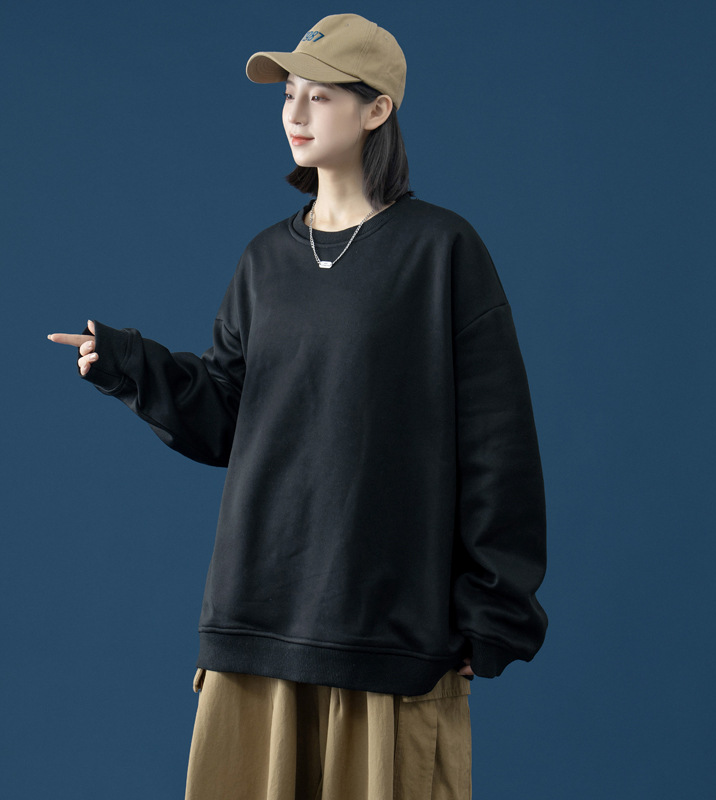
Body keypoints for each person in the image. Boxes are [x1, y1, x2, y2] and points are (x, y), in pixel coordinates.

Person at [49, 13, 547, 800]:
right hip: (256, 624)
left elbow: (498, 442)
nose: (295, 113)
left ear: (377, 108)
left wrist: (491, 611)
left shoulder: (441, 252)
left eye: (320, 95)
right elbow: (227, 418)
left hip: (388, 634)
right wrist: (130, 368)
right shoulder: (264, 260)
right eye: (288, 95)